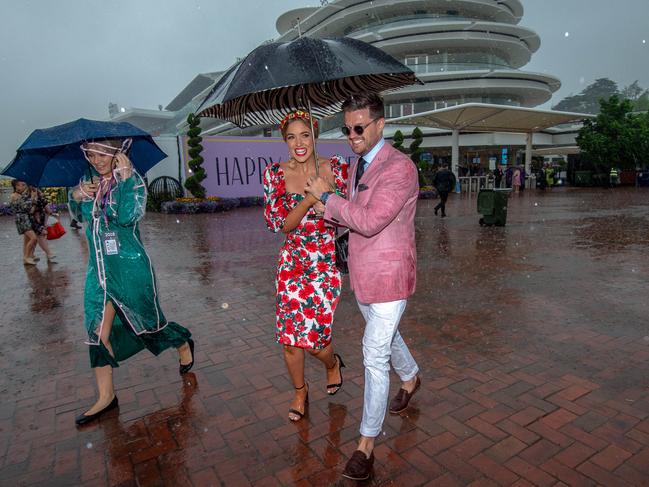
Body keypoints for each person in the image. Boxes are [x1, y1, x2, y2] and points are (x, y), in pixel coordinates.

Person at [305, 93, 421, 481]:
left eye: (359, 128)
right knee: (387, 337)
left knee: (373, 353)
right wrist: (328, 212)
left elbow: (371, 221)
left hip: (390, 277)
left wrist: (328, 197)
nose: (351, 135)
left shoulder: (399, 168)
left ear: (380, 124)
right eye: (346, 128)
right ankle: (411, 377)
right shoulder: (357, 165)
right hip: (362, 275)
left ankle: (365, 445)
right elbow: (351, 219)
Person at [69, 138, 194, 426]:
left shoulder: (133, 180)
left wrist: (124, 182)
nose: (98, 160)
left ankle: (182, 342)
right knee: (96, 331)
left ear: (118, 153)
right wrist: (75, 197)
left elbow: (128, 217)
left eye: (104, 153)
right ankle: (106, 397)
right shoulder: (86, 182)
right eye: (92, 154)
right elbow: (78, 218)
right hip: (98, 272)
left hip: (129, 268)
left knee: (149, 325)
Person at [263, 110, 347, 422]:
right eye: (291, 136)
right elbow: (280, 224)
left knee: (316, 342)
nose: (299, 143)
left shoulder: (335, 169)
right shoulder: (274, 174)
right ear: (285, 141)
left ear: (315, 135)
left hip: (324, 263)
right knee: (289, 340)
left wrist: (328, 197)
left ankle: (332, 364)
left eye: (305, 135)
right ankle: (300, 391)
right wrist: (310, 199)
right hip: (293, 264)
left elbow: (348, 214)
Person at [9, 179, 39, 265]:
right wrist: (32, 198)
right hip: (21, 219)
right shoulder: (15, 196)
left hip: (26, 218)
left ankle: (28, 256)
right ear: (16, 186)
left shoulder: (21, 195)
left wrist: (34, 198)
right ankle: (26, 257)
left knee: (27, 240)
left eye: (24, 185)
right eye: (22, 185)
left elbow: (31, 210)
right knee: (34, 238)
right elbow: (25, 207)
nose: (24, 187)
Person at [28, 186, 57, 263]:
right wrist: (33, 200)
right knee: (40, 235)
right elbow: (30, 211)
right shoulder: (27, 199)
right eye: (33, 189)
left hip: (42, 220)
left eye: (35, 189)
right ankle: (49, 253)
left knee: (39, 238)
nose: (34, 190)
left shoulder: (41, 198)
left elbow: (47, 209)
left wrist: (51, 214)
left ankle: (31, 255)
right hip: (33, 221)